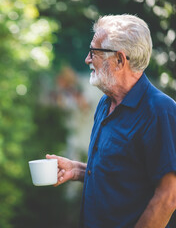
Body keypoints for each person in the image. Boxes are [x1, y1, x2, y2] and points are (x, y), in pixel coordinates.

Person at [47, 14, 176, 227]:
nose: (87, 59)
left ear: (119, 60)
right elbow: (123, 172)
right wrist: (78, 170)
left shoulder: (161, 111)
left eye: (94, 52)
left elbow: (168, 197)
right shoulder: (105, 104)